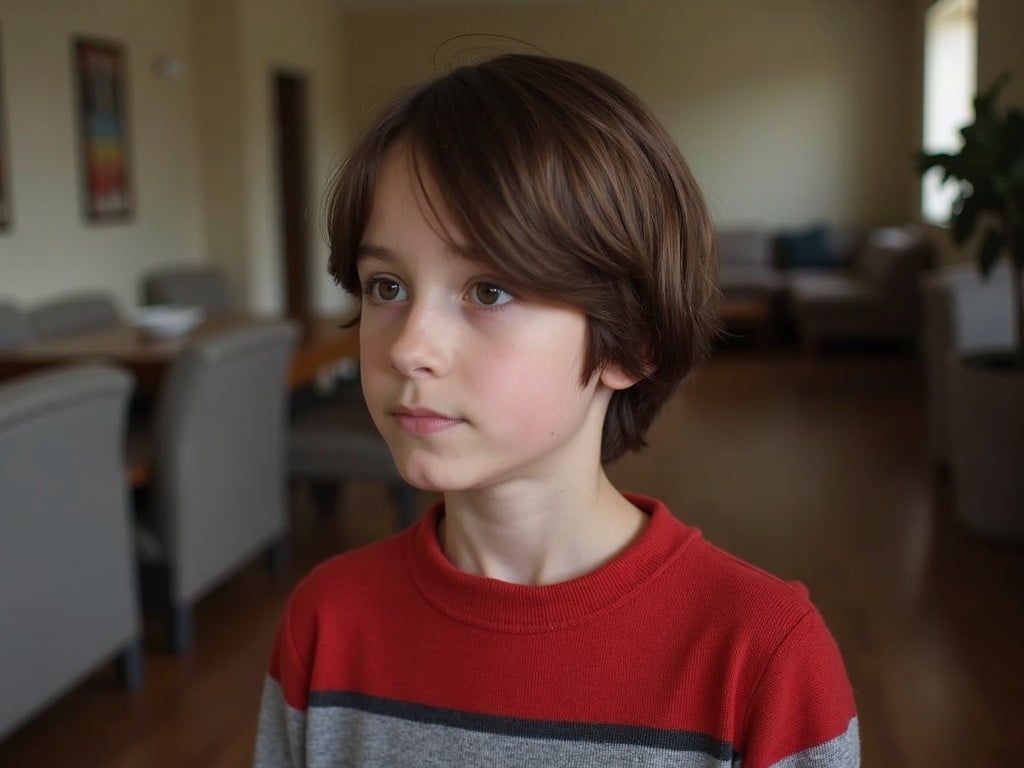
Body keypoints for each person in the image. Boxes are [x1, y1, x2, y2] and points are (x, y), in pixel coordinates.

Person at [254, 53, 859, 768]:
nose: (410, 347)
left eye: (488, 291)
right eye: (386, 286)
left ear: (632, 343)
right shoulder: (325, 623)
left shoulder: (761, 656)